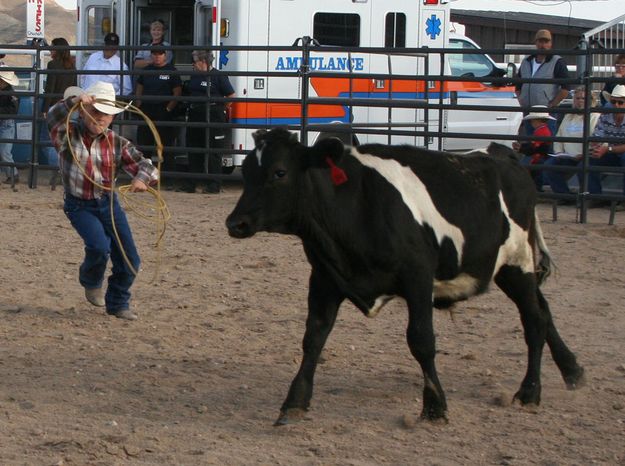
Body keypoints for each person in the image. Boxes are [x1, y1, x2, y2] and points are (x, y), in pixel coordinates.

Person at [46, 81, 158, 320]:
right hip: (79, 205)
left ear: (112, 118)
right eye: (96, 112)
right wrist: (74, 102)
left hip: (108, 202)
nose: (101, 119)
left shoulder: (116, 142)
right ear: (84, 112)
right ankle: (91, 281)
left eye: (106, 115)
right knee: (99, 246)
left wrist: (142, 178)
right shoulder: (67, 133)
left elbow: (145, 164)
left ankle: (118, 303)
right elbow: (53, 117)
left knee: (130, 259)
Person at [179, 50, 234, 194]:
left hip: (213, 115)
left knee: (213, 151)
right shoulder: (195, 76)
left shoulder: (218, 76)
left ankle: (214, 184)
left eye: (195, 61)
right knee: (194, 149)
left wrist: (218, 108)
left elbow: (230, 95)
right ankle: (192, 183)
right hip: (195, 114)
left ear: (203, 62)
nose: (193, 64)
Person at [544, 87, 600, 199]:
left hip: (586, 155)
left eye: (583, 98)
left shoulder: (596, 116)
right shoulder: (568, 116)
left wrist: (585, 154)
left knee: (583, 167)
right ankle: (563, 195)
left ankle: (593, 196)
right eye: (577, 98)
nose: (580, 101)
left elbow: (597, 139)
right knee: (549, 165)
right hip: (567, 155)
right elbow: (559, 135)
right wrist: (559, 152)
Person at [135, 46, 182, 179]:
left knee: (166, 146)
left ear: (165, 55)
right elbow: (139, 88)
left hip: (164, 112)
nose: (157, 56)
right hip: (147, 110)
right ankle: (144, 176)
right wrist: (139, 104)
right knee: (145, 145)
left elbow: (177, 92)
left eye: (159, 54)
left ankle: (167, 177)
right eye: (154, 54)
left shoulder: (172, 71)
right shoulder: (146, 71)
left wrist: (168, 109)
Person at [515, 29, 570, 136]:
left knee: (546, 144)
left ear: (550, 44)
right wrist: (521, 100)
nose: (543, 45)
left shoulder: (557, 62)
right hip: (529, 110)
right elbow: (518, 84)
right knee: (530, 144)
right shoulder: (526, 61)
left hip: (546, 113)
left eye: (546, 42)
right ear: (536, 43)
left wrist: (552, 104)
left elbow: (566, 88)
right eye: (540, 41)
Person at [583, 84, 625, 202]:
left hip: (612, 151)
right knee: (589, 160)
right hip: (609, 151)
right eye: (613, 101)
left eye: (620, 102)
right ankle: (596, 197)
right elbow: (597, 136)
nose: (616, 105)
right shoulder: (605, 116)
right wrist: (598, 146)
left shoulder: (605, 116)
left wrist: (606, 148)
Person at [41, 37, 77, 174]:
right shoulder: (72, 66)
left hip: (54, 107)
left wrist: (45, 109)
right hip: (69, 106)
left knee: (47, 140)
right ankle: (66, 168)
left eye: (52, 47)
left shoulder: (53, 65)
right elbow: (74, 88)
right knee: (65, 139)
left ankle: (57, 169)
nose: (50, 50)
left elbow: (50, 88)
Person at [513, 106, 555, 191]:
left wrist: (522, 148)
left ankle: (536, 190)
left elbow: (535, 147)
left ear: (537, 121)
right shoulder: (543, 130)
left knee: (535, 174)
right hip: (540, 156)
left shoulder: (540, 132)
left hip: (539, 157)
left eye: (532, 121)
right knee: (535, 173)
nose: (531, 123)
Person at [0, 68, 20, 184]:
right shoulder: (11, 93)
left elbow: (13, 110)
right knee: (4, 151)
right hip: (6, 123)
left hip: (6, 124)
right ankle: (12, 175)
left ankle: (13, 174)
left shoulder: (11, 93)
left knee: (4, 151)